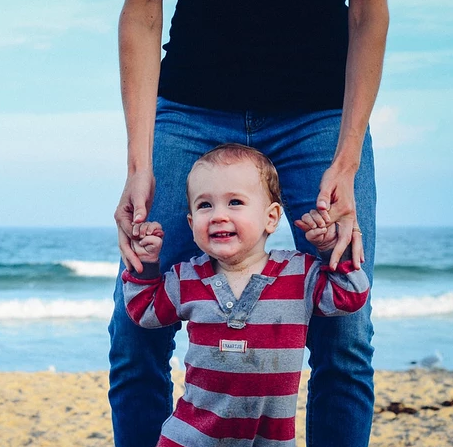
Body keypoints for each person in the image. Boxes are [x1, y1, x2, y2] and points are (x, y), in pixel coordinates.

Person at [109, 0, 389, 446]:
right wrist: (139, 165)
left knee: (346, 339)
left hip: (320, 114)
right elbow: (142, 12)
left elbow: (368, 13)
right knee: (133, 336)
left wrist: (346, 160)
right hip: (189, 108)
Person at [121, 144, 370, 446]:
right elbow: (143, 312)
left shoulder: (300, 274)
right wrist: (147, 267)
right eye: (204, 206)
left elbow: (351, 295)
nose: (218, 216)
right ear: (190, 224)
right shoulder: (186, 278)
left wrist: (331, 249)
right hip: (190, 438)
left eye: (235, 202)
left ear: (271, 217)